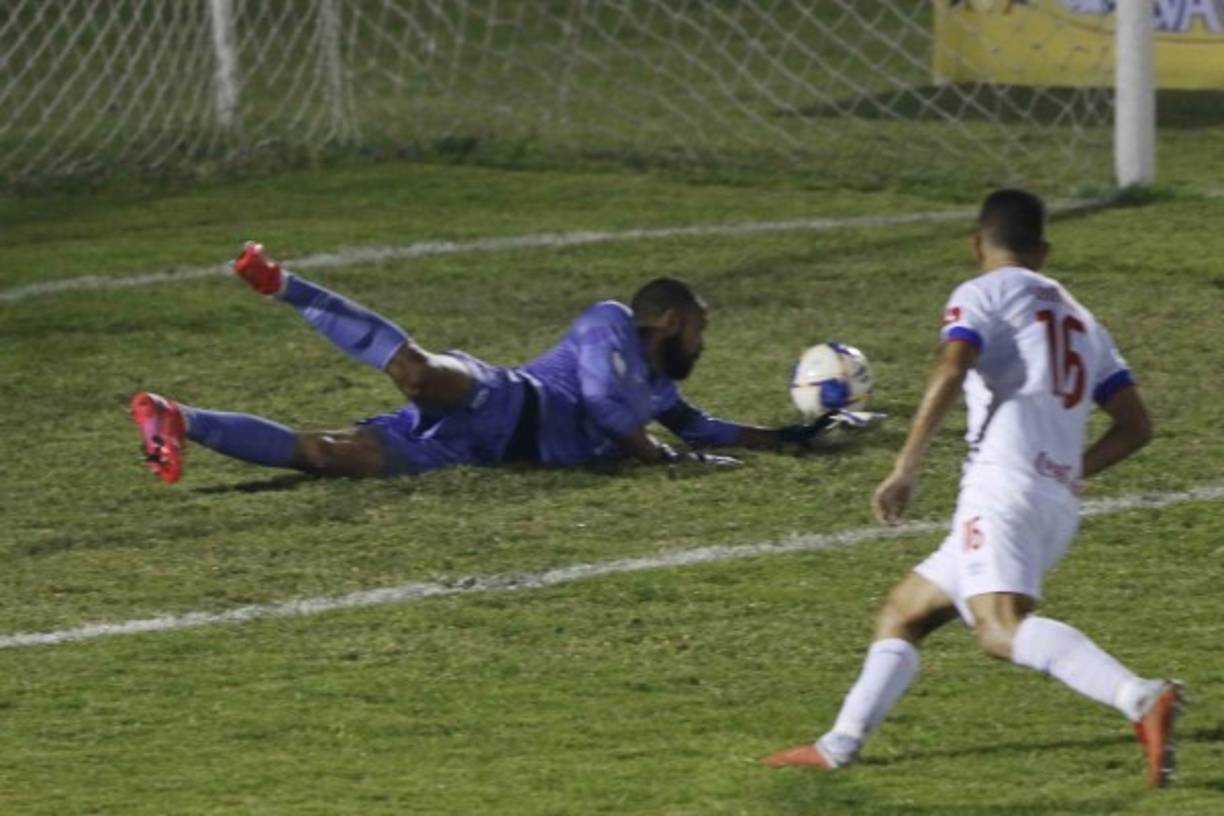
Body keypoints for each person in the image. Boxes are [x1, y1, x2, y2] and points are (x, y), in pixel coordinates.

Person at [764, 189, 1184, 787]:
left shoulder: (982, 292)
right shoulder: (1085, 321)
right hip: (1052, 501)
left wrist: (906, 466)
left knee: (998, 628)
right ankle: (839, 745)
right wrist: (1069, 470)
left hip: (1002, 487)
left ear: (975, 244)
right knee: (905, 612)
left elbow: (951, 367)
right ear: (1043, 252)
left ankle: (1139, 696)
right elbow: (1137, 426)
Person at [132, 243, 875, 483]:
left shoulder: (656, 387)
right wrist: (665, 458)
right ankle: (283, 284)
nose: (704, 345)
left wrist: (790, 437)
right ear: (674, 321)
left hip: (471, 452)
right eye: (702, 329)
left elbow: (701, 426)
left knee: (325, 455)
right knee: (418, 373)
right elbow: (608, 410)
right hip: (504, 399)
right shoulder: (608, 323)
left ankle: (177, 418)